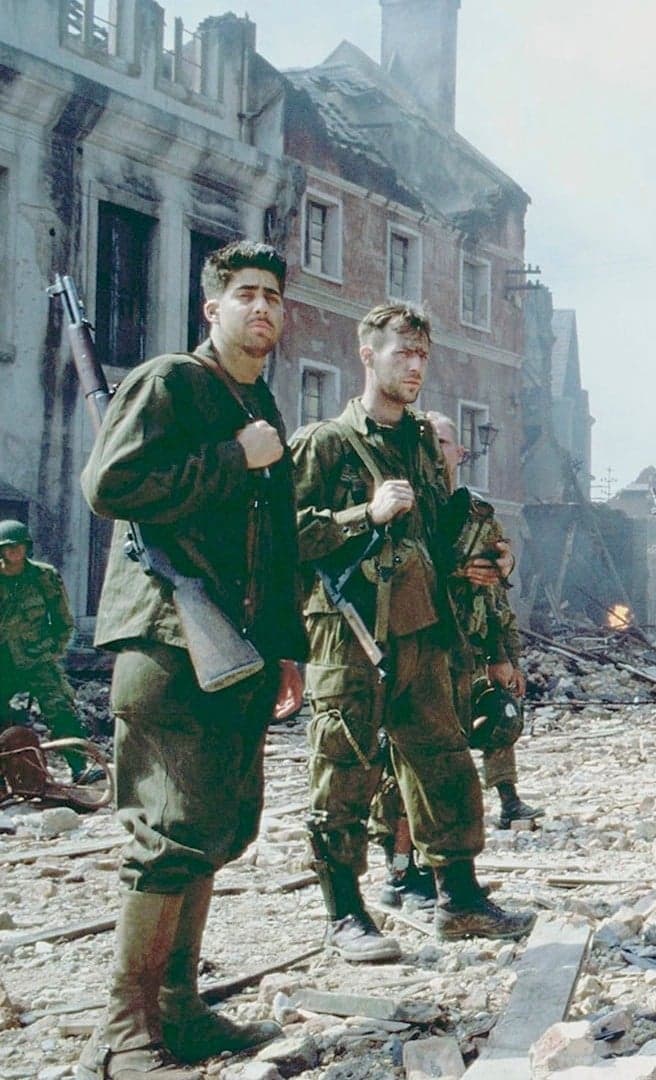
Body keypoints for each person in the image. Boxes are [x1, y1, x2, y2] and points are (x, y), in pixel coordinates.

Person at [79, 240, 307, 1079]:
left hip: (234, 651)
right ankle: (123, 1035)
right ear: (212, 308)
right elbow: (109, 485)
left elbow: (275, 543)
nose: (262, 307)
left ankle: (178, 1010)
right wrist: (232, 457)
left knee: (214, 827)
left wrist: (287, 648)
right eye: (245, 293)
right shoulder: (171, 381)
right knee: (168, 833)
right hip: (168, 643)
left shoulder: (260, 403)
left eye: (272, 295)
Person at [291, 303, 533, 964]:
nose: (415, 366)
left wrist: (488, 559)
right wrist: (364, 515)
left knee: (443, 758)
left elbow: (436, 531)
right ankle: (345, 912)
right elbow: (287, 536)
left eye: (423, 354)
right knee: (343, 764)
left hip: (423, 626)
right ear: (367, 355)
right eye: (402, 352)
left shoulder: (424, 442)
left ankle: (459, 898)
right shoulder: (325, 443)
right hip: (349, 629)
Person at [369, 412, 531, 909]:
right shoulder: (403, 503)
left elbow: (495, 594)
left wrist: (501, 654)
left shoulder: (474, 512)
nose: (434, 451)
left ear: (459, 452)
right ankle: (400, 871)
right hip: (410, 645)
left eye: (442, 442)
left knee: (448, 760)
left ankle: (442, 873)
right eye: (428, 442)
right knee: (397, 764)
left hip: (462, 650)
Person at [0, 520, 96, 782]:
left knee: (61, 708)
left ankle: (79, 769)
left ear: (27, 547)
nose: (14, 551)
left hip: (37, 659)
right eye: (8, 547)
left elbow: (64, 621)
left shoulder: (44, 577)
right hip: (3, 661)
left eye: (18, 545)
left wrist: (53, 652)